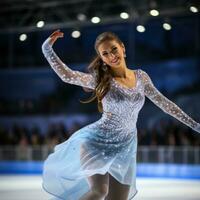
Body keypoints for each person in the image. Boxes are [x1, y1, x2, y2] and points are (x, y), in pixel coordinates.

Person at [41, 29, 200, 200]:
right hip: (97, 141)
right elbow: (67, 76)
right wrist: (47, 48)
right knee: (99, 191)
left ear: (122, 48)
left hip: (125, 147)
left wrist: (196, 126)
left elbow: (166, 104)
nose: (111, 56)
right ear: (102, 58)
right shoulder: (102, 80)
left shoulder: (141, 77)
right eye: (105, 53)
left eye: (114, 49)